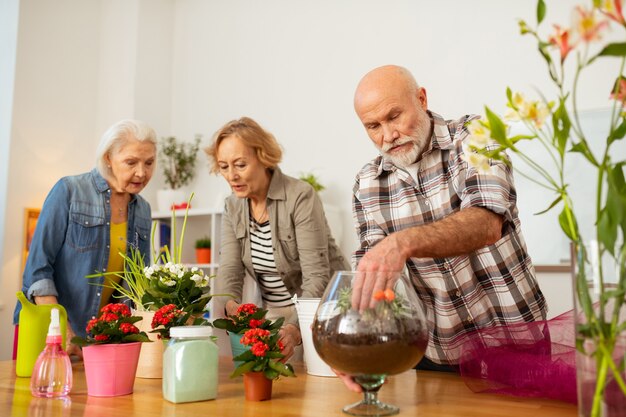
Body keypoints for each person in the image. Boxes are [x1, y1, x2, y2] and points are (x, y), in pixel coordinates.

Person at [340, 65, 547, 390]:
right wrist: (355, 343)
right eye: (373, 126)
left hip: (516, 339)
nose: (387, 135)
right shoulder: (367, 183)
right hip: (439, 354)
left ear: (421, 99)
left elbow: (487, 221)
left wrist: (402, 243)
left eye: (394, 116)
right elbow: (376, 276)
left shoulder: (475, 136)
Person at [205, 117, 350, 360]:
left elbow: (317, 276)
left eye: (240, 165)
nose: (231, 176)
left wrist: (294, 328)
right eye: (224, 166)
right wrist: (231, 305)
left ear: (263, 157)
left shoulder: (300, 196)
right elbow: (230, 267)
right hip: (274, 312)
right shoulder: (232, 206)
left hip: (327, 307)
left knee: (320, 385)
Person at [14, 119, 157, 358]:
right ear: (109, 158)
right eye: (131, 162)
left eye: (149, 163)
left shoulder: (143, 209)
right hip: (48, 330)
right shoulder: (69, 191)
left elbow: (135, 284)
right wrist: (63, 331)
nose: (141, 172)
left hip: (98, 341)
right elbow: (37, 270)